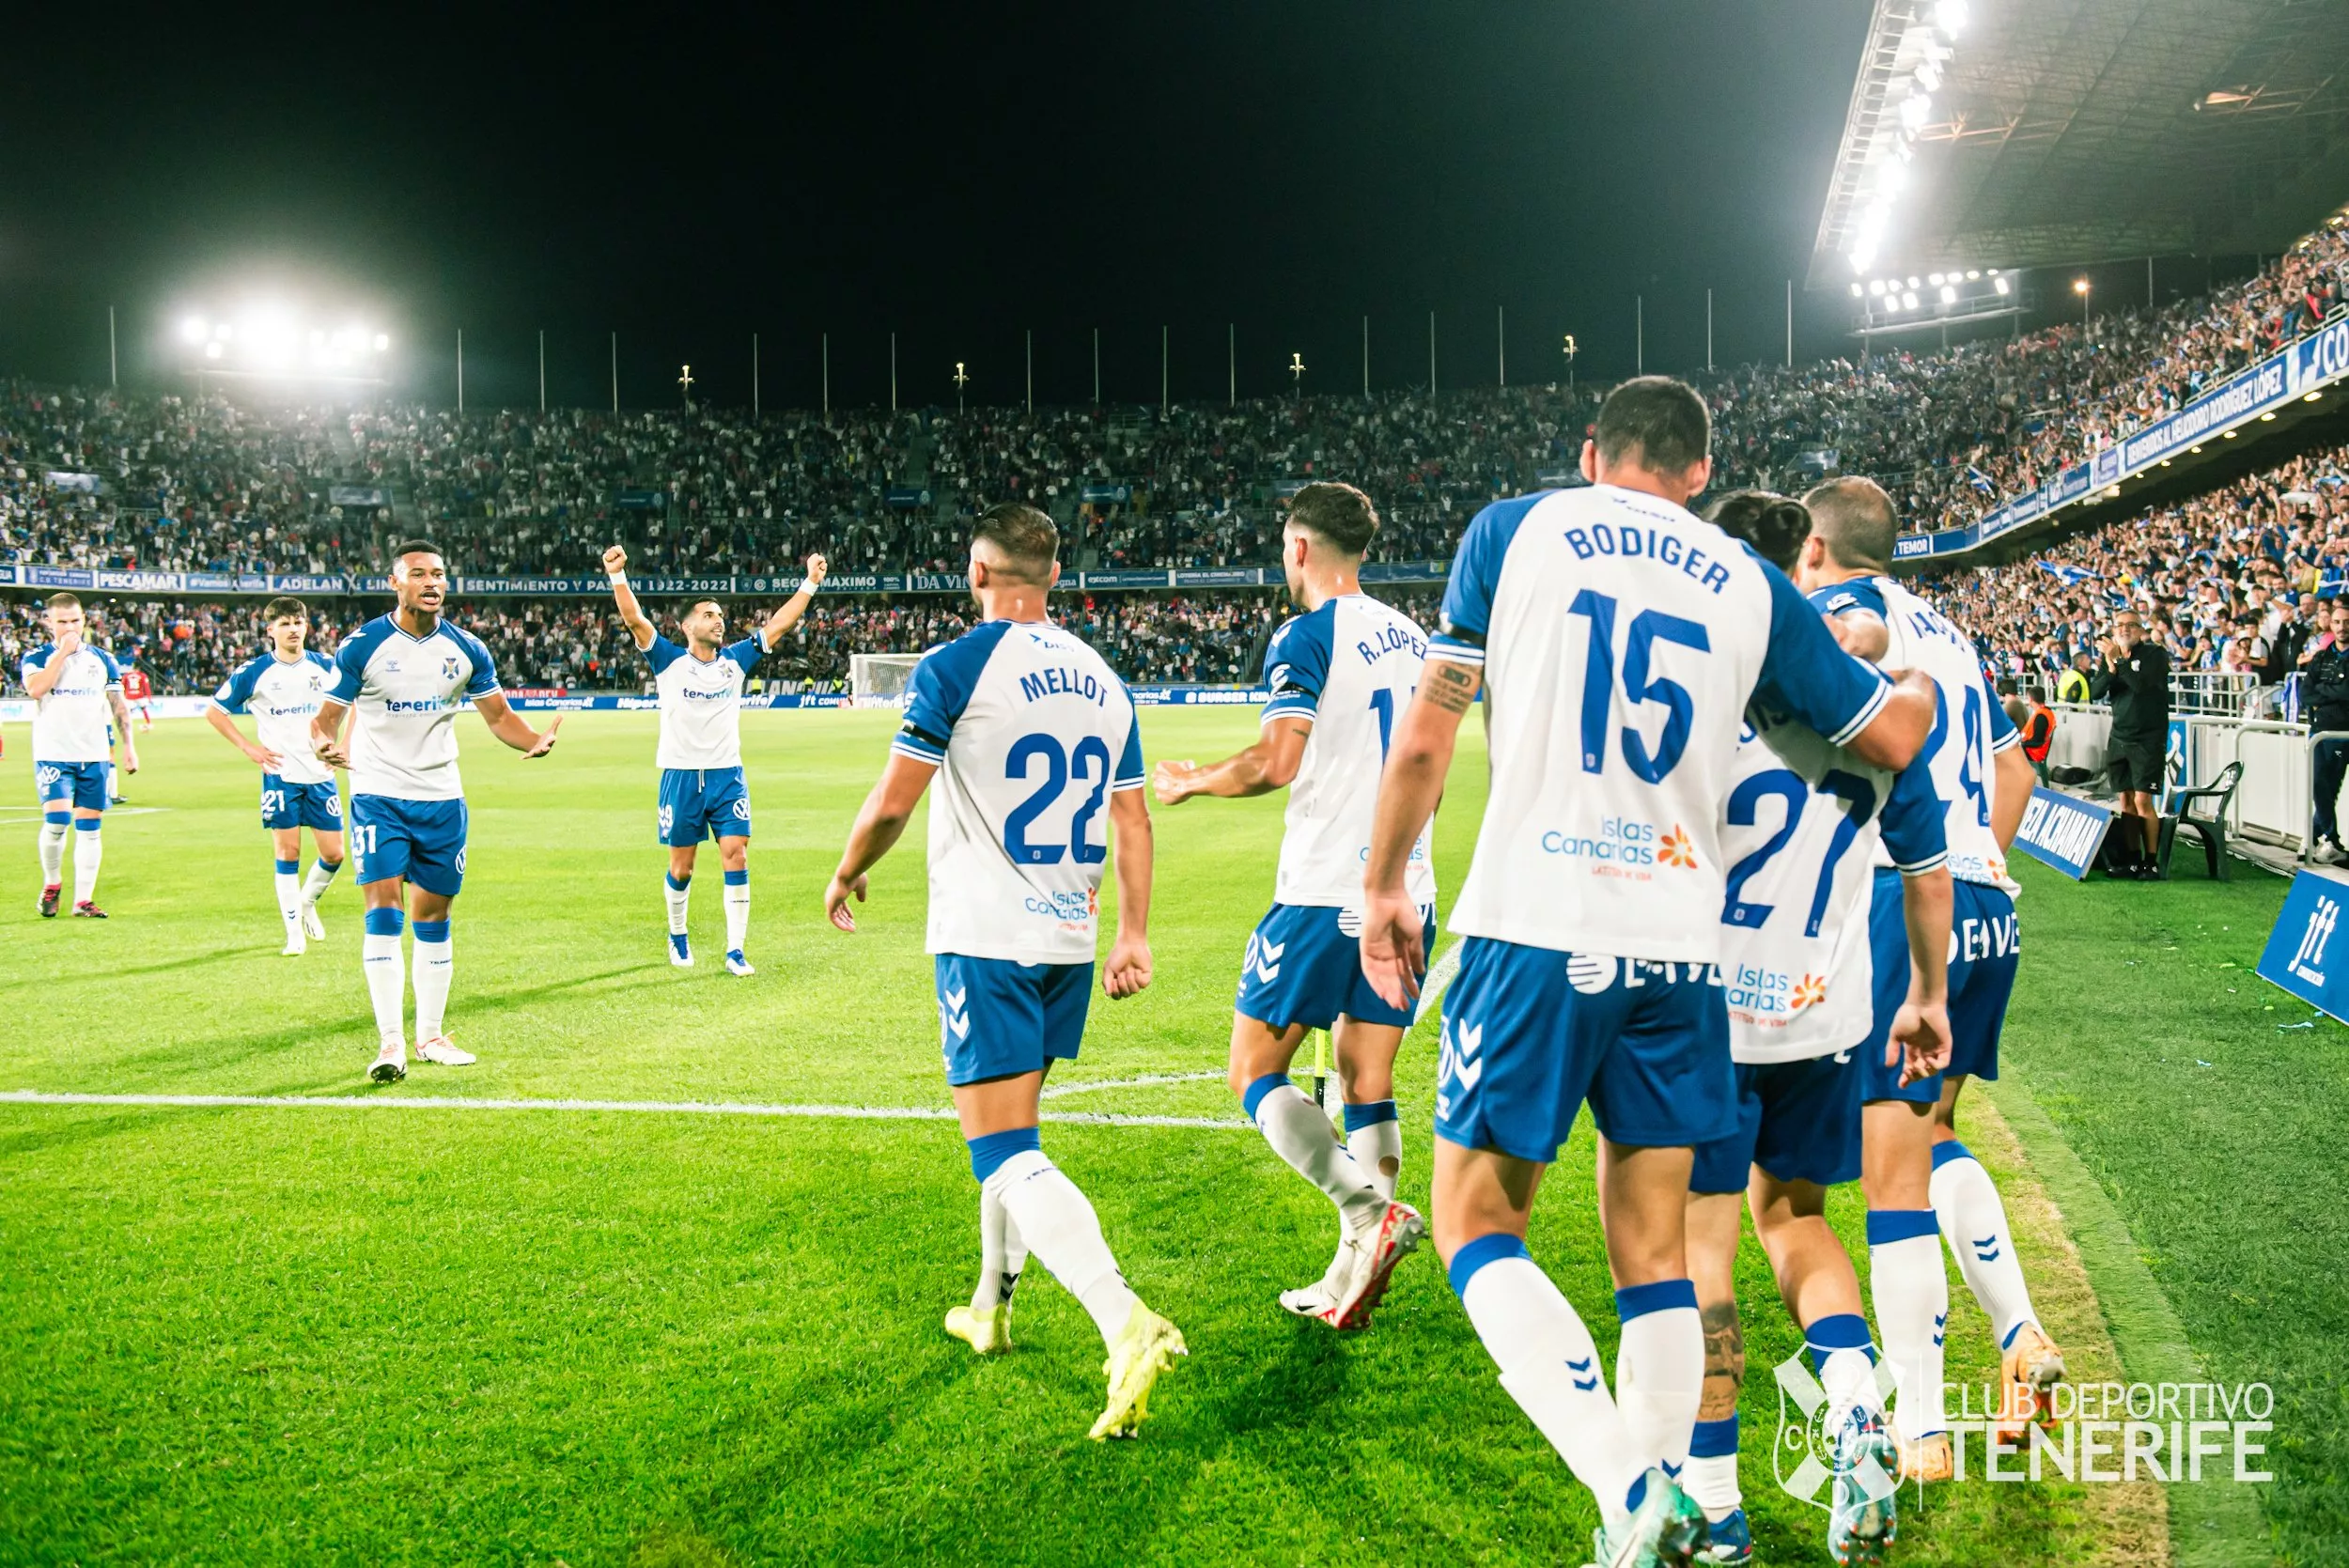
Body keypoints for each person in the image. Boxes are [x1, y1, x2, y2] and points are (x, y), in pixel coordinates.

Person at [1357, 379, 1937, 1568]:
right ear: (1694, 470)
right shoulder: (1750, 581)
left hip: (1535, 918)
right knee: (1656, 1250)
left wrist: (1380, 885)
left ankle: (1632, 1485)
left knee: (1477, 1218)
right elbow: (1888, 737)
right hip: (1683, 952)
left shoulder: (1512, 529)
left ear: (1590, 453)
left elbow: (1426, 732)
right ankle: (1677, 1497)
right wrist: (1912, 677)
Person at [823, 503, 1184, 1440]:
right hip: (1067, 940)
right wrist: (1132, 935)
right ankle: (988, 1304)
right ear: (1053, 574)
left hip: (984, 936)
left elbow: (894, 801)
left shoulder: (956, 665)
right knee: (1014, 1137)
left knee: (1004, 1152)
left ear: (978, 573)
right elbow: (1133, 820)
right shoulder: (1106, 681)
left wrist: (850, 866)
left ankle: (1123, 1319)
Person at [1800, 475, 2062, 1482]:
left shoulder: (1839, 615)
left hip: (1896, 903)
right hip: (1983, 902)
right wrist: (1975, 870)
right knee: (1933, 1132)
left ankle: (1917, 1426)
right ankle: (2018, 1336)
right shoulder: (1949, 633)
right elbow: (2019, 773)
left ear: (1816, 548)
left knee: (1888, 1177)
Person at [1151, 480, 1432, 1328]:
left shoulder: (1306, 634)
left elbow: (1277, 760)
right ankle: (1355, 1275)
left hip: (1321, 893)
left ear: (1300, 548)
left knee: (1253, 1072)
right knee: (1368, 1076)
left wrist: (1191, 779)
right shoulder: (1417, 640)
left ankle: (1365, 1212)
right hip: (1405, 887)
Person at [310, 540, 564, 1084]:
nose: (432, 582)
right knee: (383, 909)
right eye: (418, 574)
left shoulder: (467, 648)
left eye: (439, 574)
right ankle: (390, 1043)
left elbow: (498, 718)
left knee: (434, 918)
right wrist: (321, 744)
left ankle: (430, 1035)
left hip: (443, 800)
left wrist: (530, 741)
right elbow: (325, 718)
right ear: (395, 583)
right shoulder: (364, 646)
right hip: (379, 796)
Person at [605, 545, 829, 975]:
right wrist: (617, 576)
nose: (718, 619)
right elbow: (635, 620)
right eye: (709, 614)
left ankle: (736, 950)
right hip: (682, 775)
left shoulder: (735, 661)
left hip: (728, 775)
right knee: (682, 868)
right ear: (687, 626)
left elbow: (780, 624)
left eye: (720, 614)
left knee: (737, 856)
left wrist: (811, 582)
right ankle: (677, 936)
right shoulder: (668, 660)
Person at [205, 597, 348, 955]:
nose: (293, 629)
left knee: (335, 854)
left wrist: (342, 743)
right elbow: (215, 711)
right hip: (280, 774)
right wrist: (249, 748)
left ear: (307, 626)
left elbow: (354, 702)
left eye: (298, 622)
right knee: (288, 852)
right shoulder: (254, 672)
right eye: (284, 624)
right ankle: (293, 935)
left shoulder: (326, 667)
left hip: (319, 774)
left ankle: (307, 903)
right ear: (270, 630)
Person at [20, 592, 139, 918]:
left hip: (94, 754)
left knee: (90, 827)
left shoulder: (103, 659)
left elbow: (118, 705)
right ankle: (52, 883)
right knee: (57, 820)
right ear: (49, 623)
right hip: (53, 752)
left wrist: (129, 746)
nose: (70, 627)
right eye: (62, 622)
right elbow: (36, 689)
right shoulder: (36, 656)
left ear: (84, 619)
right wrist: (62, 654)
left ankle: (83, 900)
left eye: (75, 620)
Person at [2091, 609, 2171, 877]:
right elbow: (2095, 692)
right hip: (2119, 737)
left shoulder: (2155, 655)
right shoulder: (2111, 659)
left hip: (2147, 739)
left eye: (2131, 625)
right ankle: (2132, 859)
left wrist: (2119, 662)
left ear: (2141, 630)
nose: (2125, 629)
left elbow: (2140, 686)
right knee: (2124, 799)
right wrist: (2111, 667)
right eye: (2120, 625)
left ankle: (2151, 861)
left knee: (2143, 800)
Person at [2303, 599, 2349, 862]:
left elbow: (2346, 692)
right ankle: (2327, 839)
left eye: (2346, 622)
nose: (2342, 627)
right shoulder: (2321, 656)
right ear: (2330, 624)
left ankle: (2321, 838)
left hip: (2343, 734)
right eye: (2337, 622)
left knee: (2328, 787)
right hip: (2319, 732)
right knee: (2319, 786)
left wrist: (2324, 692)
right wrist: (2333, 694)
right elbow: (2305, 693)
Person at [121, 660, 155, 731]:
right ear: (139, 668)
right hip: (139, 695)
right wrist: (149, 697)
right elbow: (147, 687)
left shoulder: (126, 675)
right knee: (144, 709)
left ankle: (126, 725)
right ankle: (148, 723)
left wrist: (123, 695)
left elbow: (122, 686)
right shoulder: (142, 675)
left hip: (129, 695)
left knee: (128, 711)